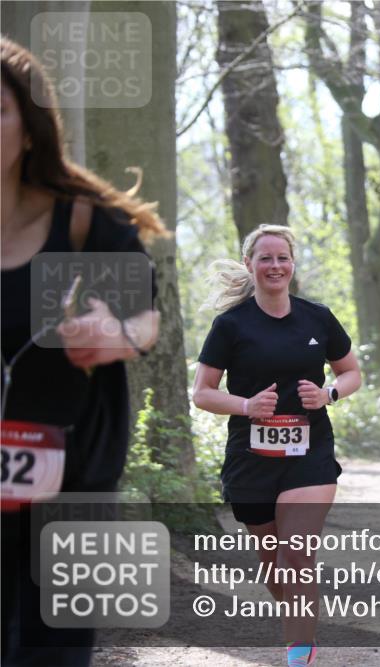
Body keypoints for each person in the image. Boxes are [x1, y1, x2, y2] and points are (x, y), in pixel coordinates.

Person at [1, 37, 165, 666]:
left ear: (32, 130)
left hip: (75, 484)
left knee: (53, 656)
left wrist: (116, 335)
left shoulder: (81, 222)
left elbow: (145, 319)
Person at [192, 223, 361, 667]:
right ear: (250, 265)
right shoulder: (230, 325)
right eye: (265, 258)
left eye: (282, 257)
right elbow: (202, 392)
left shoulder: (317, 317)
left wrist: (329, 395)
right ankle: (299, 621)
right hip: (252, 457)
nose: (275, 265)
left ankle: (298, 654)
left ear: (293, 263)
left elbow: (351, 373)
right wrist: (247, 405)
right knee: (274, 565)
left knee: (297, 552)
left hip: (311, 454)